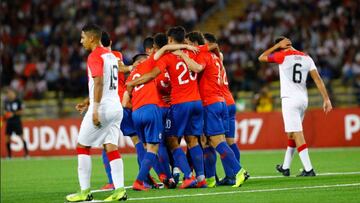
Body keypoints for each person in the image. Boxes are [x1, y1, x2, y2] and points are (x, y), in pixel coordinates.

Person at [127, 26, 204, 189]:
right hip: (192, 101)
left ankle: (166, 176)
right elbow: (201, 63)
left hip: (160, 107)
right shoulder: (191, 53)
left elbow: (153, 77)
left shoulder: (156, 62)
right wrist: (186, 48)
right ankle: (200, 177)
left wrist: (132, 85)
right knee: (192, 140)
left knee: (161, 143)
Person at [178, 31, 248, 188]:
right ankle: (210, 179)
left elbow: (196, 68)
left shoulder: (204, 53)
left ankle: (238, 171)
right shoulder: (215, 56)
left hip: (210, 102)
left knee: (217, 141)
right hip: (219, 101)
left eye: (188, 43)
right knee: (207, 141)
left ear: (196, 44)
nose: (187, 47)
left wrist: (183, 56)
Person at [66, 24, 126, 202]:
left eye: (83, 37)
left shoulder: (94, 56)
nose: (81, 41)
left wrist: (95, 108)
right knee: (111, 147)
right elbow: (105, 83)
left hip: (104, 108)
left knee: (82, 146)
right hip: (116, 107)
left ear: (92, 38)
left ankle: (84, 192)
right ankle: (120, 190)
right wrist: (88, 101)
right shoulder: (110, 55)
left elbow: (99, 82)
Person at [258, 37, 333, 176]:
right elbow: (318, 79)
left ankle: (309, 169)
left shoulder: (282, 56)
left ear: (281, 46)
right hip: (303, 99)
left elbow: (261, 57)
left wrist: (275, 47)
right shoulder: (306, 58)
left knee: (297, 133)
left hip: (289, 99)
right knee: (292, 133)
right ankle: (285, 167)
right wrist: (326, 99)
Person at [203, 32, 242, 185]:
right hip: (228, 100)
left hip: (219, 101)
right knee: (229, 141)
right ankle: (232, 173)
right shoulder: (218, 59)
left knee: (215, 141)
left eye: (204, 43)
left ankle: (231, 175)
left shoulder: (209, 58)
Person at [3, 88, 29, 158]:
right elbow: (5, 112)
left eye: (10, 93)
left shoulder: (18, 101)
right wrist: (5, 115)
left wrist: (13, 114)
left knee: (21, 137)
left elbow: (22, 111)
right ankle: (9, 155)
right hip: (9, 122)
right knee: (7, 138)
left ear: (14, 94)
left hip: (16, 121)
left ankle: (26, 154)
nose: (9, 95)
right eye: (8, 93)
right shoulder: (6, 102)